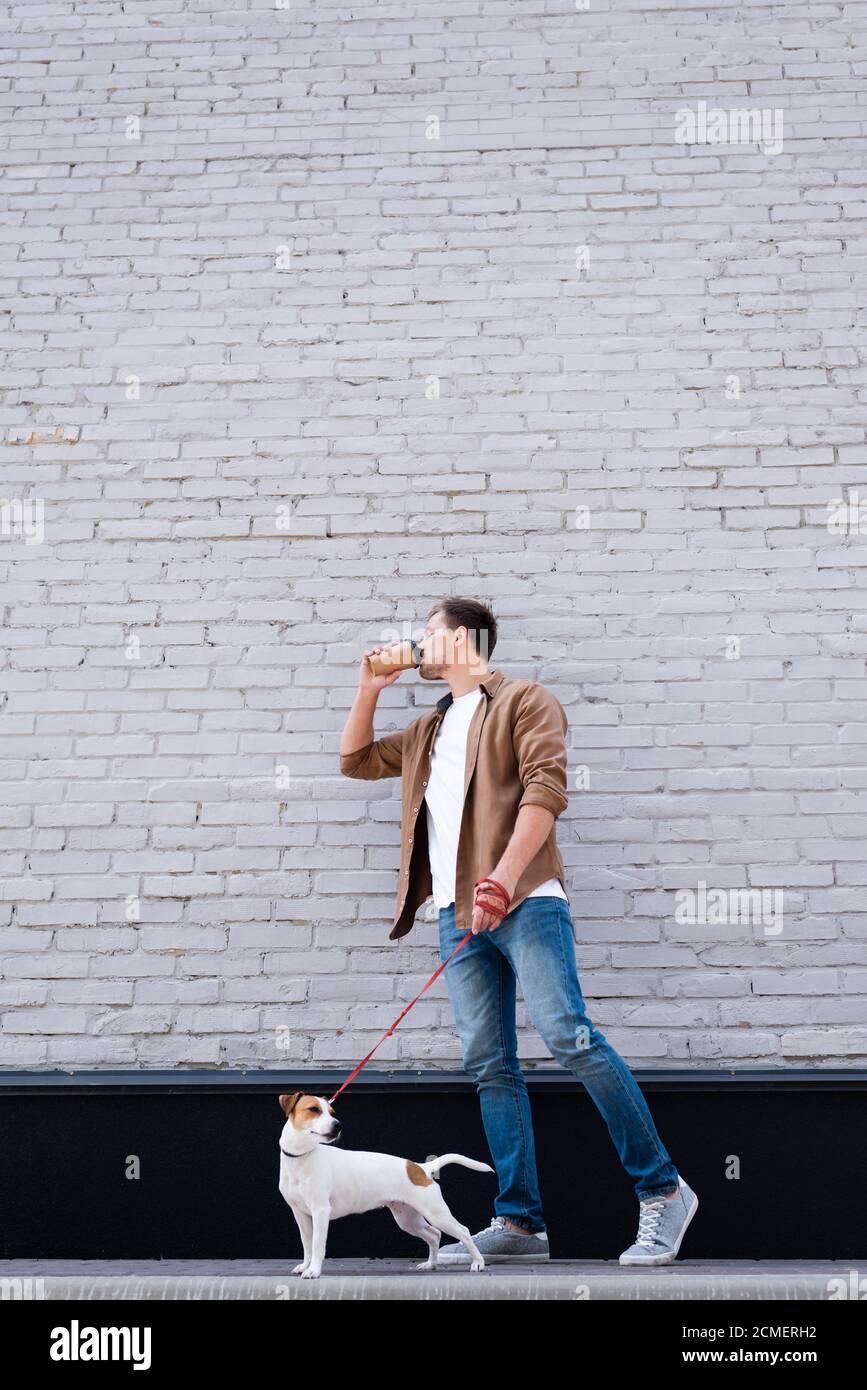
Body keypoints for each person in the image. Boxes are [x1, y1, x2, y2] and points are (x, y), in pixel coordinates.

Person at [339, 597, 699, 1265]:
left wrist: (501, 880)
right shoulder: (428, 729)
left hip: (525, 898)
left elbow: (546, 792)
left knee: (568, 1035)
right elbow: (355, 760)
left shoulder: (524, 700)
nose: (417, 642)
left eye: (428, 632)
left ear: (466, 638)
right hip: (456, 915)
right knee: (489, 1066)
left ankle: (665, 1189)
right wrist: (367, 689)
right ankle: (519, 1225)